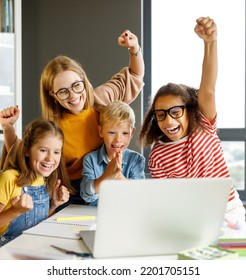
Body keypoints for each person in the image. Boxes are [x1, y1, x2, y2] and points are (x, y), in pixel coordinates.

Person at [1, 29, 144, 204]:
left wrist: (134, 48)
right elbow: (22, 154)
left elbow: (134, 76)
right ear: (53, 95)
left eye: (77, 85)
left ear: (84, 81)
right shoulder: (53, 126)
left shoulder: (102, 98)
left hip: (109, 182)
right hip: (72, 193)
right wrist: (8, 127)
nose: (73, 95)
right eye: (63, 91)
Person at [138, 17, 246, 228]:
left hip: (229, 211)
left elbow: (208, 88)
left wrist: (210, 42)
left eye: (175, 112)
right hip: (194, 218)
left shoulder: (204, 125)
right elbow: (171, 200)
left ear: (189, 111)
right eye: (160, 114)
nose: (168, 120)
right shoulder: (158, 156)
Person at [0, 118, 71, 246]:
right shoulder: (9, 178)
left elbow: (37, 223)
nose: (50, 158)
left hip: (32, 249)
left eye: (56, 152)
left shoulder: (45, 181)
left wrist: (53, 205)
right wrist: (14, 211)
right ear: (27, 150)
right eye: (43, 150)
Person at [80, 101, 145, 206]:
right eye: (111, 133)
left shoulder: (136, 160)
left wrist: (118, 175)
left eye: (125, 133)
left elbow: (139, 196)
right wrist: (106, 176)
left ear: (131, 133)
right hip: (96, 216)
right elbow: (86, 195)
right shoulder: (90, 159)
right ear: (101, 132)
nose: (118, 139)